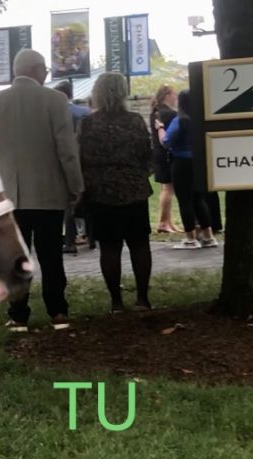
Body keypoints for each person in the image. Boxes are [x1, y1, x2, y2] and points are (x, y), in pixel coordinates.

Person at [0, 49, 84, 332]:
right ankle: (58, 310)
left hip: (8, 195)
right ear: (38, 69)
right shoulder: (55, 101)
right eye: (46, 71)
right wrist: (76, 186)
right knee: (51, 254)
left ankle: (18, 315)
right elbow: (67, 150)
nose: (47, 75)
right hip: (48, 192)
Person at [77, 73, 154, 313]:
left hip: (100, 192)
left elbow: (81, 158)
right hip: (133, 190)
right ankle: (142, 298)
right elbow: (147, 155)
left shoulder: (88, 124)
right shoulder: (135, 121)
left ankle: (116, 302)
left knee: (109, 248)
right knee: (139, 244)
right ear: (123, 92)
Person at [158, 90, 219, 249]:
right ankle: (208, 236)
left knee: (185, 201)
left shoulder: (180, 121)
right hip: (198, 162)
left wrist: (160, 128)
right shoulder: (200, 120)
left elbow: (166, 142)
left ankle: (190, 238)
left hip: (181, 163)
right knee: (199, 199)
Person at [53, 80, 92, 255]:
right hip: (84, 159)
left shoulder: (55, 112)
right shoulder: (84, 112)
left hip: (62, 160)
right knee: (87, 199)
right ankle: (92, 236)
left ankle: (69, 240)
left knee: (67, 203)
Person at [150, 85, 181, 234]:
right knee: (168, 189)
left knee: (167, 188)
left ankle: (168, 221)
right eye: (174, 94)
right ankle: (163, 222)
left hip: (159, 154)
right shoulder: (170, 114)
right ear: (167, 95)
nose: (175, 97)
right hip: (167, 154)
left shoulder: (156, 112)